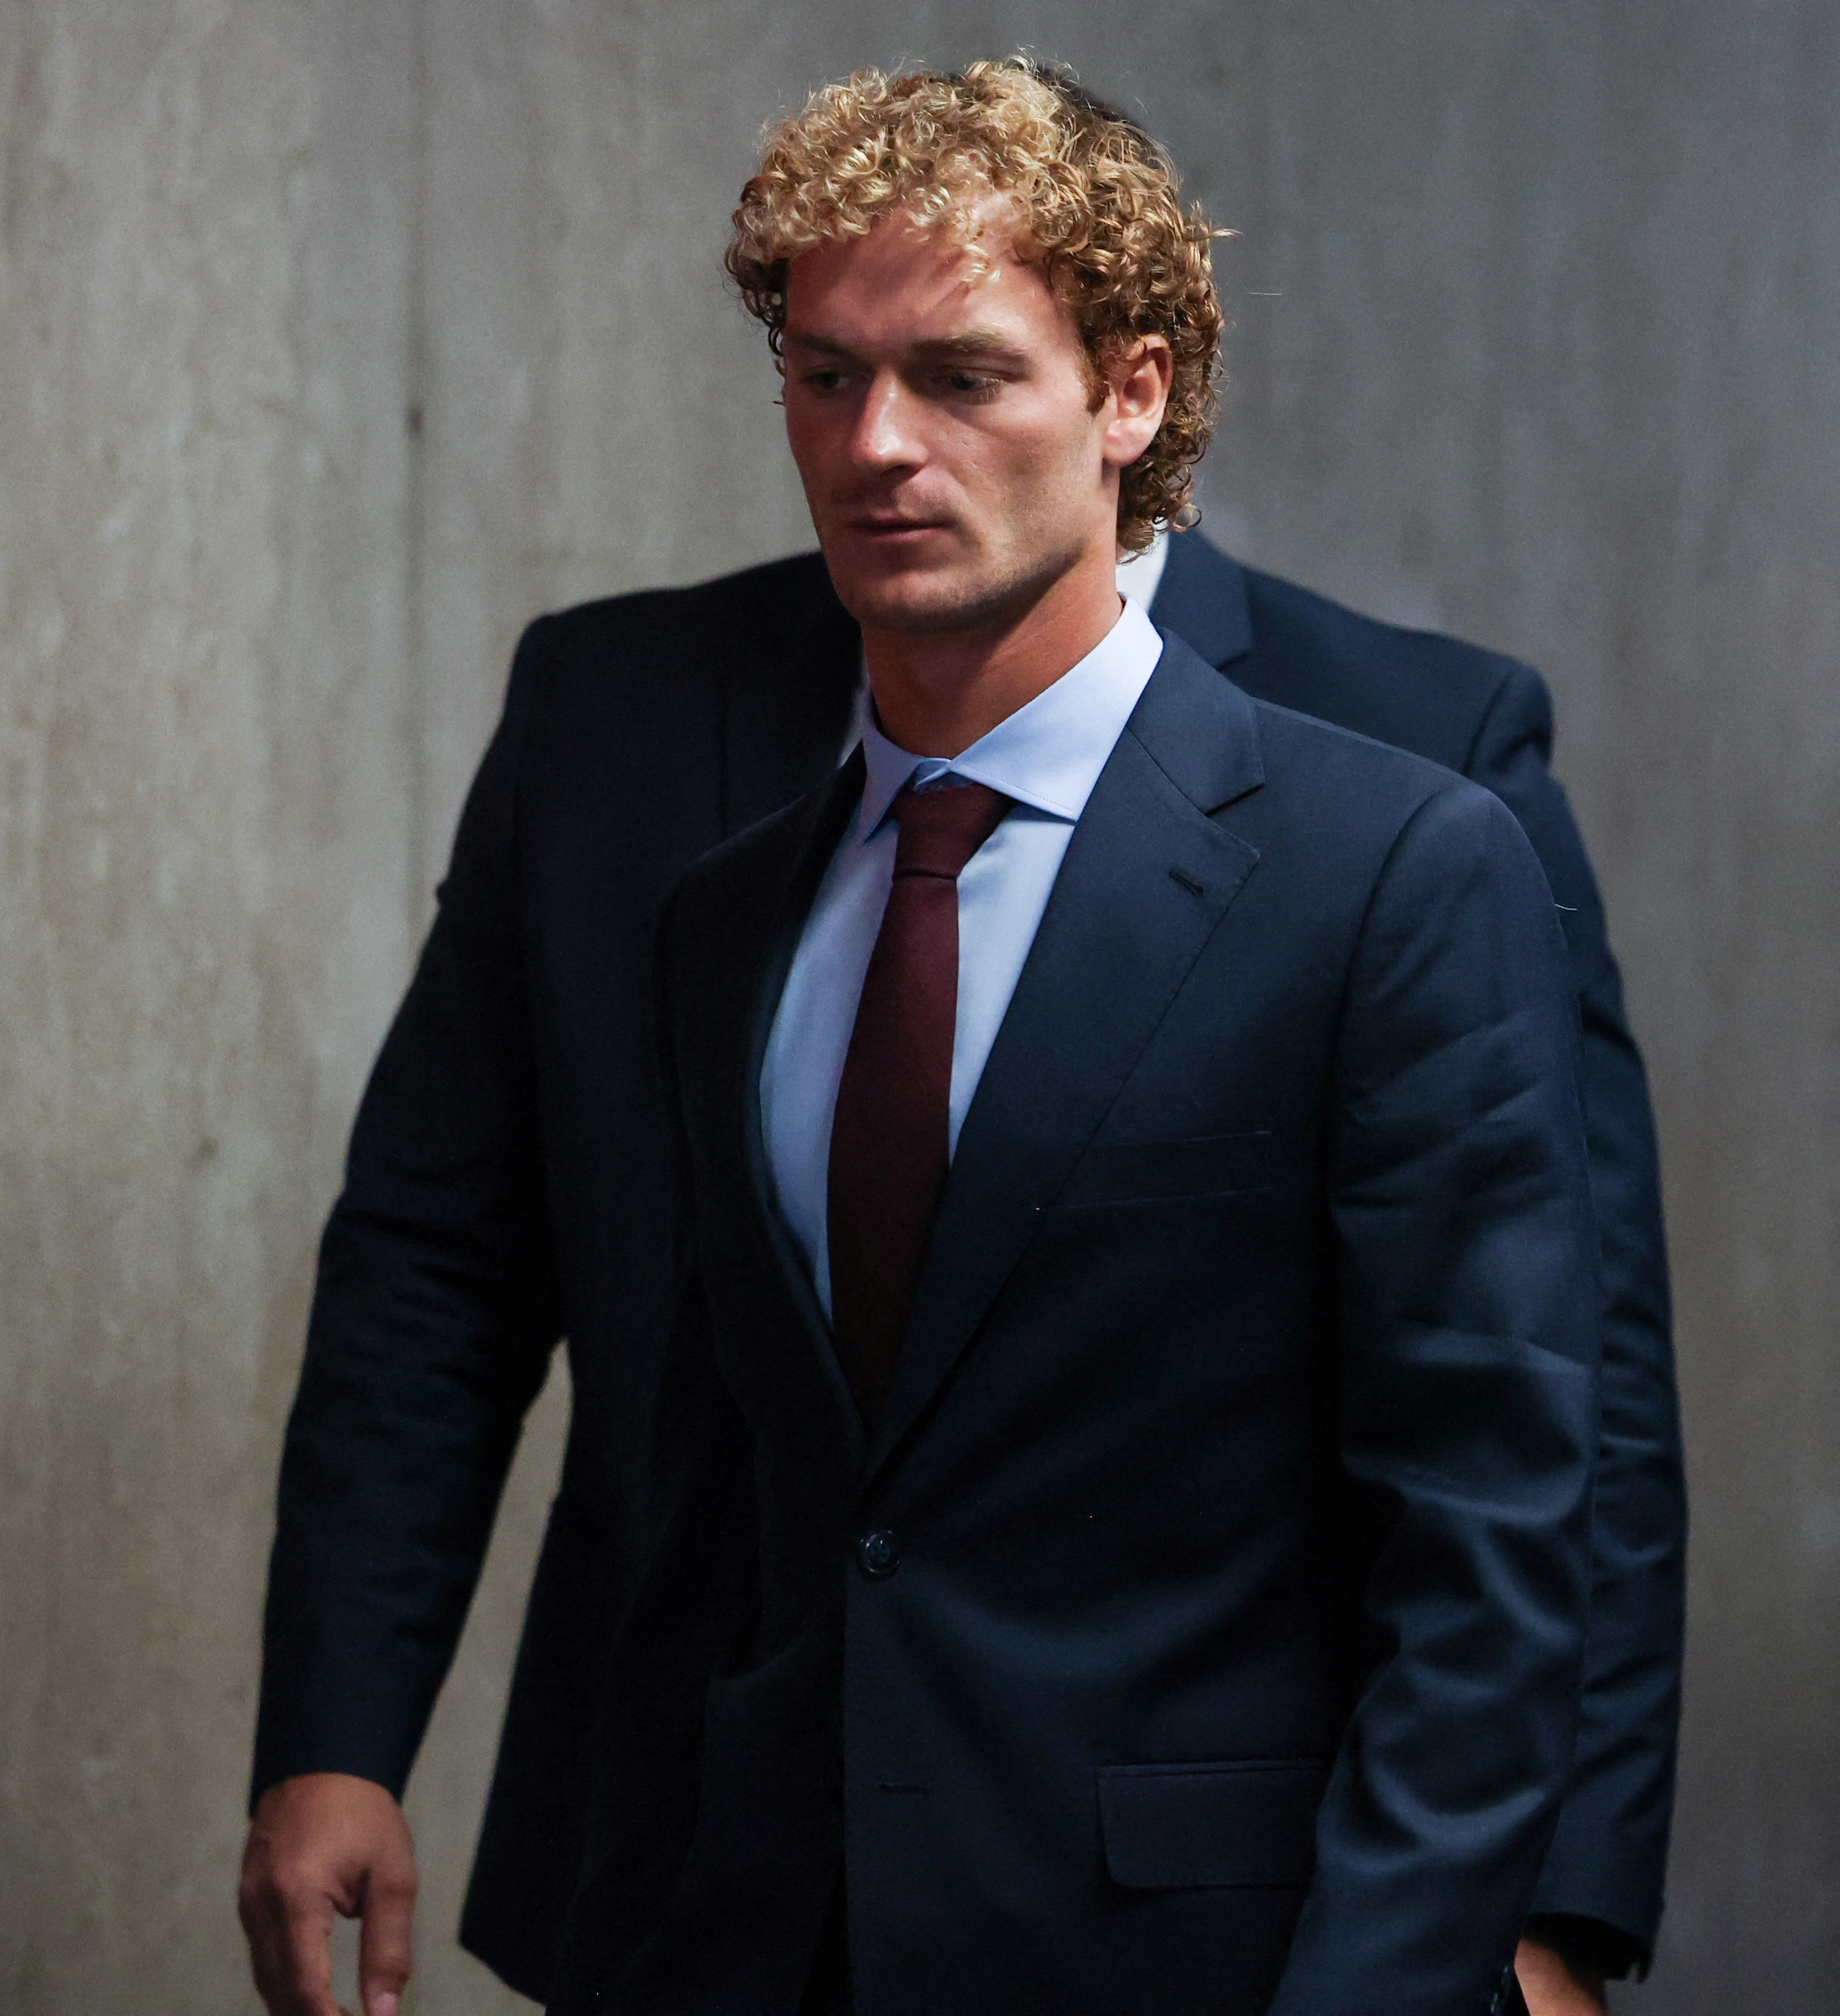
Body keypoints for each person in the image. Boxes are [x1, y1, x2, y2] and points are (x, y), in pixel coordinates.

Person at [240, 64, 1679, 2016]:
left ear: (1133, 393)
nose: (879, 445)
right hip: (727, 1911)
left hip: (1196, 1926)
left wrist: (1505, 1933)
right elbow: (509, 1309)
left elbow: (1525, 1470)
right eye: (825, 378)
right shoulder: (720, 880)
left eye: (964, 374)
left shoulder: (1407, 822)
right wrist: (353, 1725)